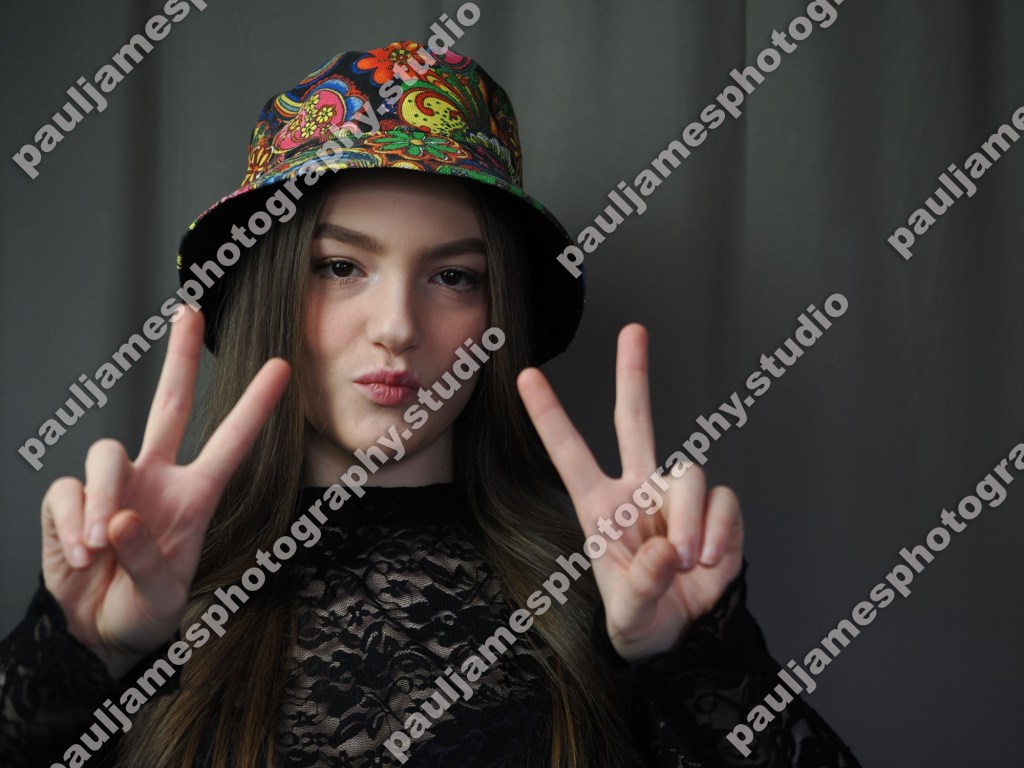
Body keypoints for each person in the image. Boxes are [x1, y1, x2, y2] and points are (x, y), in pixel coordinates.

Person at [0, 42, 861, 767]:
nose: (398, 328)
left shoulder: (613, 589)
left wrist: (697, 657)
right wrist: (81, 653)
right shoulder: (142, 592)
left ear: (498, 313)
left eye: (453, 277)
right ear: (271, 289)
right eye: (341, 267)